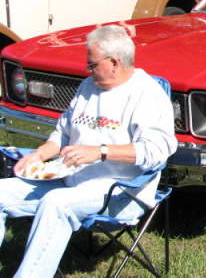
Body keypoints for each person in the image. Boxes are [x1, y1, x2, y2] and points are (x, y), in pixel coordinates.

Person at [0, 25, 177, 278]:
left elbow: (156, 151)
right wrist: (40, 154)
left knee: (55, 203)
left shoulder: (147, 95)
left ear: (115, 62)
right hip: (68, 178)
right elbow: (62, 132)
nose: (88, 70)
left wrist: (100, 152)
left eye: (93, 65)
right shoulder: (88, 87)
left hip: (120, 191)